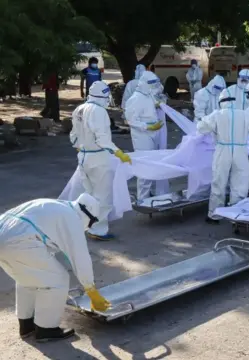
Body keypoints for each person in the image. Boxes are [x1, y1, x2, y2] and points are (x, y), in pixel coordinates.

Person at [0, 193, 111, 342]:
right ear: (88, 215)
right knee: (58, 280)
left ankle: (26, 325)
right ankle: (46, 329)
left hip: (4, 235)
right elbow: (80, 256)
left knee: (28, 278)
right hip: (19, 242)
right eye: (92, 223)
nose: (89, 227)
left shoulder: (56, 206)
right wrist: (90, 289)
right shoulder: (71, 217)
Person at [70, 81, 132, 241]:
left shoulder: (79, 109)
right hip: (98, 158)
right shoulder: (99, 111)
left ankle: (85, 224)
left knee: (89, 194)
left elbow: (73, 135)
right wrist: (118, 152)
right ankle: (98, 230)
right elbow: (103, 138)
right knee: (103, 196)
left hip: (83, 156)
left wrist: (79, 146)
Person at [198, 89, 249, 223]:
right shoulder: (245, 115)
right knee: (240, 183)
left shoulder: (217, 115)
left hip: (222, 150)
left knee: (219, 182)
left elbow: (201, 128)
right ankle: (236, 216)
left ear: (221, 102)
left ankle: (214, 214)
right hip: (240, 151)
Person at [125, 71, 166, 200]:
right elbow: (130, 120)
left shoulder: (148, 95)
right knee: (144, 166)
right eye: (151, 84)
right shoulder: (135, 99)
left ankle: (148, 194)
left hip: (153, 133)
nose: (154, 87)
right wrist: (148, 126)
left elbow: (150, 106)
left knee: (152, 164)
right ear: (144, 83)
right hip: (142, 136)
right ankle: (142, 198)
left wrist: (157, 105)